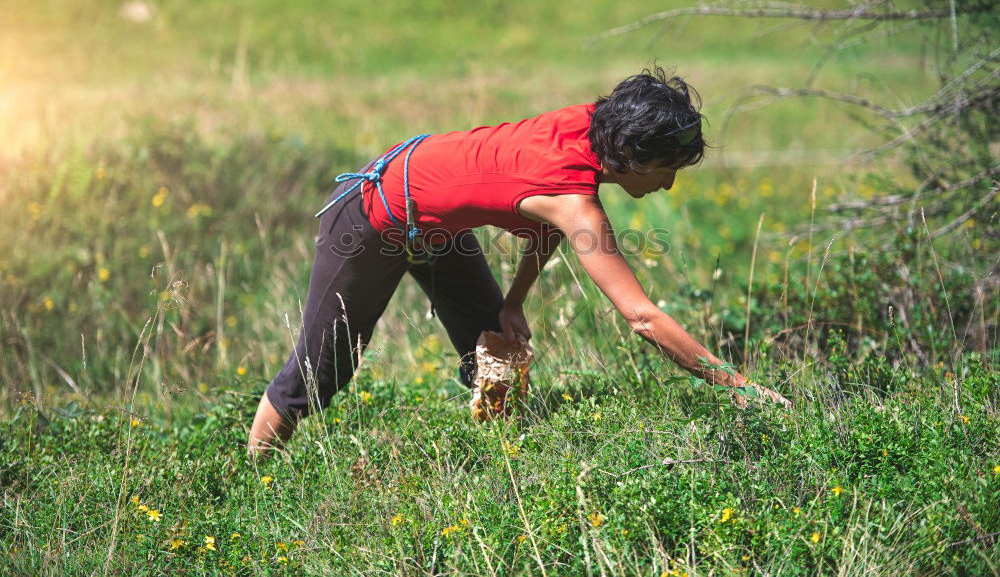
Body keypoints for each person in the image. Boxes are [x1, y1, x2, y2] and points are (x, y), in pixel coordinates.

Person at [247, 67, 789, 455]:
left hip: (437, 227)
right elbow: (641, 316)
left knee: (497, 350)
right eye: (667, 168)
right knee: (321, 373)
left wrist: (514, 301)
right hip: (369, 218)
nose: (669, 182)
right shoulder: (576, 202)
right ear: (632, 156)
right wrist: (740, 389)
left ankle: (500, 471)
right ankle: (252, 485)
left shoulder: (596, 123)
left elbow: (543, 217)